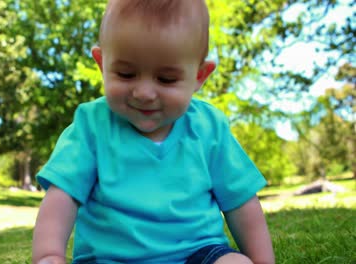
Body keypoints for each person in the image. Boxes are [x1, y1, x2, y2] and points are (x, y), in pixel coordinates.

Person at [32, 0, 275, 263]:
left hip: (198, 253)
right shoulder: (91, 127)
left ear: (199, 76)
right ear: (102, 64)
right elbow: (62, 197)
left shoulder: (209, 128)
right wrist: (49, 255)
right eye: (126, 74)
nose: (144, 93)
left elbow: (241, 202)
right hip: (110, 258)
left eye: (166, 79)